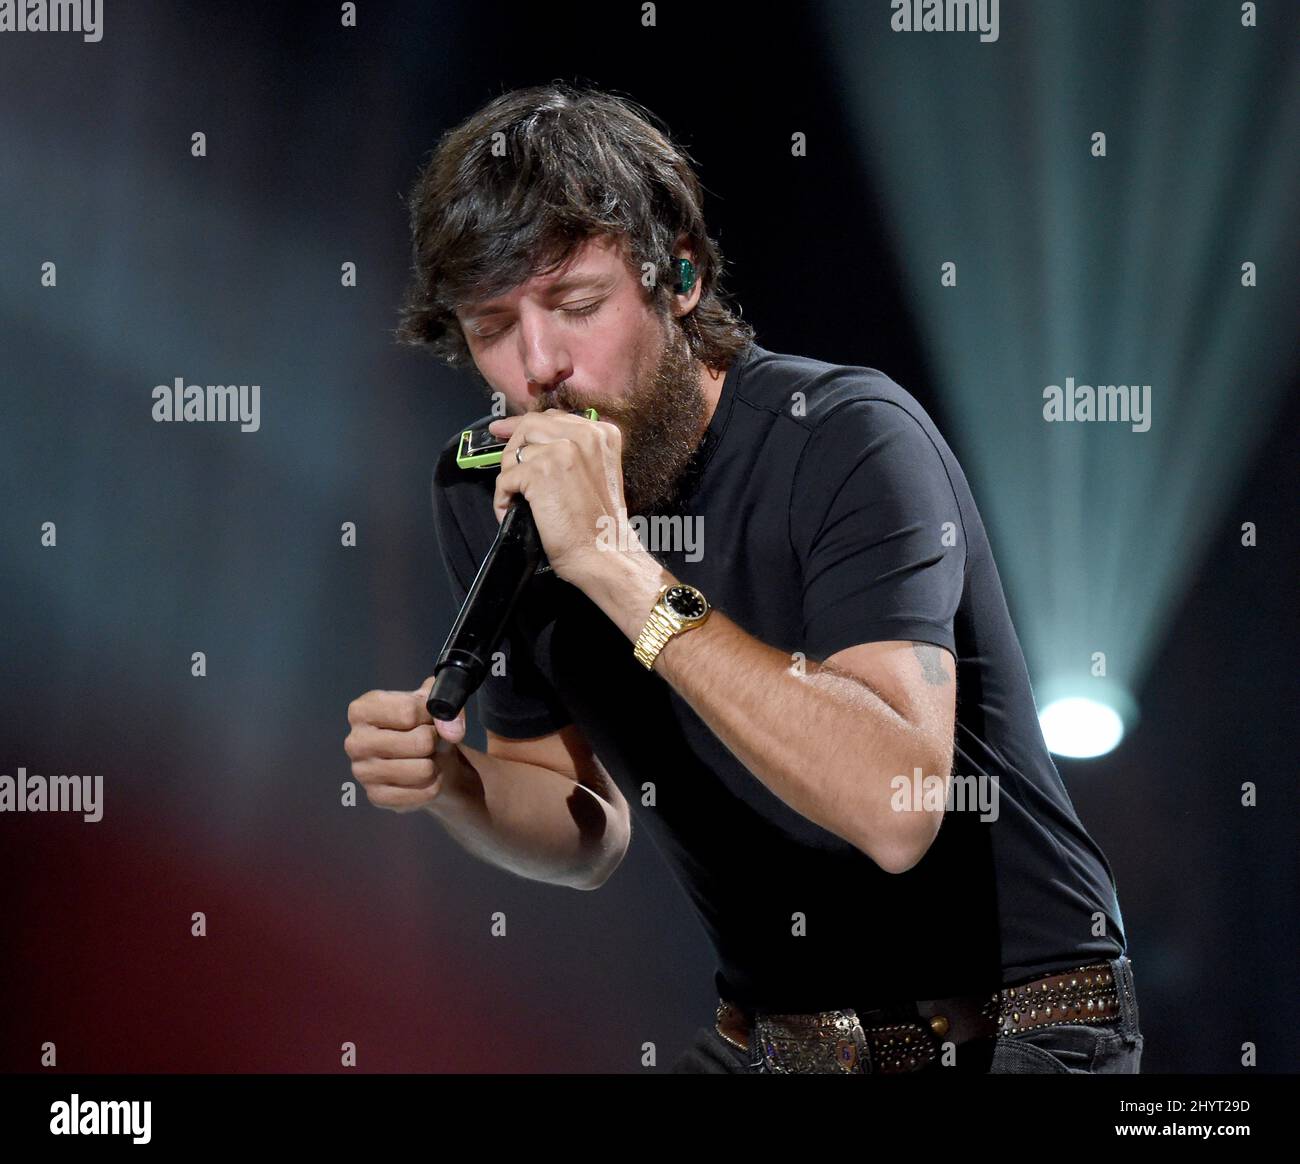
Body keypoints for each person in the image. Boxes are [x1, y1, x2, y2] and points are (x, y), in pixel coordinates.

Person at [344, 81, 1142, 1074]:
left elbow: (893, 812)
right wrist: (457, 785)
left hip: (1011, 1028)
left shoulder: (848, 437)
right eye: (490, 326)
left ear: (675, 278)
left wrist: (616, 566)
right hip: (776, 1043)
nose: (537, 365)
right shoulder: (483, 489)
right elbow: (581, 827)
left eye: (575, 304)